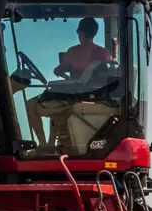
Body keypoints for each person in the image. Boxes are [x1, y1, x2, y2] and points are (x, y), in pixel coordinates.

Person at [25, 17, 114, 153]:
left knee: (31, 104)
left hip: (73, 95)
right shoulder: (105, 53)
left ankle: (44, 145)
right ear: (94, 33)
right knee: (54, 103)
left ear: (81, 32)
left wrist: (60, 70)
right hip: (94, 96)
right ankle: (51, 144)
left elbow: (60, 69)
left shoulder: (74, 51)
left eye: (79, 33)